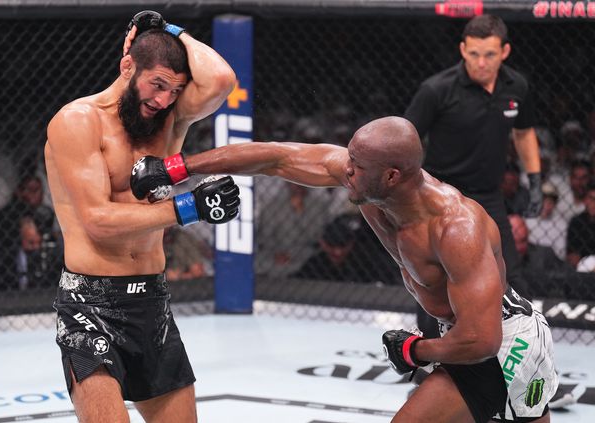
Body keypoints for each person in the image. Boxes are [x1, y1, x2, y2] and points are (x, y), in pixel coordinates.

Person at [131, 116, 558, 422]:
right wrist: (178, 168)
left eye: (356, 166)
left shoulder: (455, 229)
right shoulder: (367, 182)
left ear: (391, 176)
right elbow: (275, 158)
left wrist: (415, 350)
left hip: (502, 347)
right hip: (472, 335)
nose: (344, 170)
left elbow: (482, 339)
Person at [45, 11, 240, 423]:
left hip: (151, 298)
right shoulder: (78, 121)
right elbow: (97, 220)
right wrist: (189, 207)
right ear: (127, 65)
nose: (164, 100)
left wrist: (168, 29)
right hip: (89, 303)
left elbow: (221, 79)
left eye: (176, 90)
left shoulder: (166, 122)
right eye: (157, 85)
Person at [404, 15, 542, 305]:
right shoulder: (436, 90)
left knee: (511, 276)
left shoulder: (517, 86)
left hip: (489, 197)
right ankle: (427, 348)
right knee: (435, 280)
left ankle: (513, 347)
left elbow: (524, 133)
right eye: (474, 54)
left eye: (489, 54)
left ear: (504, 52)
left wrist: (535, 181)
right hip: (440, 197)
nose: (481, 63)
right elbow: (404, 139)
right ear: (463, 49)